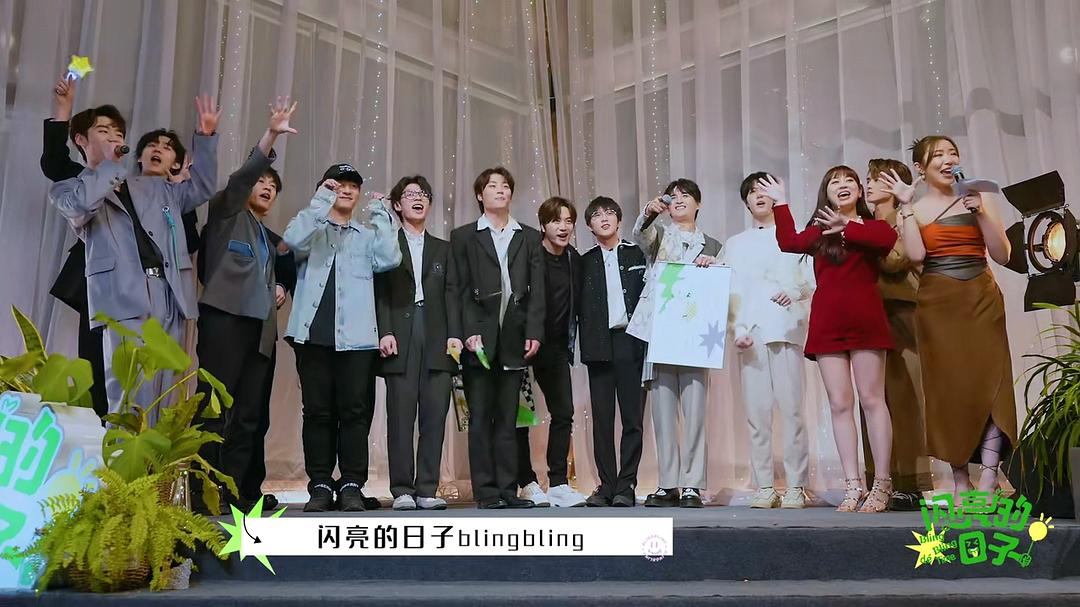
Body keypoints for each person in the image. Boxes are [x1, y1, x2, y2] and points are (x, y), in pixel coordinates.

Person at [49, 95, 221, 425]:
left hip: (169, 294)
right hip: (122, 295)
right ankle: (124, 458)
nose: (114, 138)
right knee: (128, 390)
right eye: (103, 131)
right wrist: (108, 166)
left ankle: (156, 458)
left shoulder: (154, 187)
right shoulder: (69, 187)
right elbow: (80, 207)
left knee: (164, 390)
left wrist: (207, 136)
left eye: (118, 133)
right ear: (82, 140)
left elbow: (201, 187)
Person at [879, 136, 1018, 499]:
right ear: (921, 168)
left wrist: (980, 212)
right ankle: (959, 480)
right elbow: (915, 254)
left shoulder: (979, 196)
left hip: (981, 298)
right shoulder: (917, 208)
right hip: (938, 303)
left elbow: (1002, 254)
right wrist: (905, 207)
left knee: (992, 383)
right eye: (937, 155)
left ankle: (989, 476)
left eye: (952, 153)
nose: (947, 159)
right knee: (948, 389)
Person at [764, 168, 897, 512]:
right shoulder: (820, 231)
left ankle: (882, 484)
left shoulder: (873, 227)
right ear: (826, 193)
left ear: (860, 192)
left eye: (849, 180)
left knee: (872, 399)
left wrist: (847, 226)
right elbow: (788, 242)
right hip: (828, 321)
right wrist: (780, 203)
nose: (842, 185)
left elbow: (887, 241)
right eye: (835, 181)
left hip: (866, 319)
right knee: (839, 404)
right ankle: (853, 485)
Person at [195, 97, 298, 511]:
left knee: (251, 414)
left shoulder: (269, 240)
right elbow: (241, 179)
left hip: (261, 332)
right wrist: (271, 135)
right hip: (225, 322)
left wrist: (281, 287)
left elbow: (286, 267)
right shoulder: (226, 214)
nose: (267, 187)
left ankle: (238, 491)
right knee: (214, 406)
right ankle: (203, 493)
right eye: (263, 181)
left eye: (273, 186)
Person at [284, 164, 402, 512]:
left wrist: (381, 214)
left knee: (355, 413)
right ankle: (320, 485)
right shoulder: (311, 229)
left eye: (353, 186)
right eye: (339, 185)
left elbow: (390, 257)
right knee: (317, 413)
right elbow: (292, 240)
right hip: (312, 336)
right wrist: (321, 199)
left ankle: (352, 484)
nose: (347, 190)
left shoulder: (366, 235)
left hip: (358, 340)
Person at [446, 167, 545, 510]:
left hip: (515, 337)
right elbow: (456, 290)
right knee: (480, 418)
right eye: (492, 186)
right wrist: (465, 331)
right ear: (480, 195)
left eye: (505, 185)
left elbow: (537, 290)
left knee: (508, 419)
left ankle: (508, 490)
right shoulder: (464, 236)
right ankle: (486, 492)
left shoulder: (528, 236)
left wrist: (534, 332)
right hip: (478, 340)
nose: (500, 190)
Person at [627, 179, 721, 509]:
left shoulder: (712, 244)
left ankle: (692, 485)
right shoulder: (659, 235)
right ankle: (668, 484)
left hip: (695, 335)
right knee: (663, 413)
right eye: (674, 196)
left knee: (694, 412)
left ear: (698, 204)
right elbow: (640, 235)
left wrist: (713, 265)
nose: (679, 200)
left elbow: (720, 287)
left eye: (687, 196)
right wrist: (648, 213)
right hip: (661, 332)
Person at [723, 172, 814, 509]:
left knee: (792, 412)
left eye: (765, 189)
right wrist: (737, 328)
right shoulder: (736, 244)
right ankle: (764, 485)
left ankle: (796, 485)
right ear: (746, 201)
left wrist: (793, 293)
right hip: (750, 335)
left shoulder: (794, 235)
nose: (758, 195)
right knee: (757, 414)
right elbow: (728, 289)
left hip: (786, 329)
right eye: (752, 191)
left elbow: (810, 281)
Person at [376, 175, 457, 511]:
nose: (418, 198)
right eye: (410, 195)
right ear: (397, 205)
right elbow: (380, 292)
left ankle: (427, 488)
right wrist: (384, 330)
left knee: (435, 415)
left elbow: (453, 294)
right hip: (400, 332)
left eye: (423, 194)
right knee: (400, 415)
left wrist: (455, 334)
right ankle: (402, 490)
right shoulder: (387, 244)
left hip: (438, 335)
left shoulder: (444, 248)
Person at [863, 158, 931, 511]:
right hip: (867, 314)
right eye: (868, 179)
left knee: (905, 398)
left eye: (875, 179)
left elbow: (895, 260)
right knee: (871, 399)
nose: (868, 185)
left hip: (901, 312)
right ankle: (878, 480)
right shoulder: (864, 222)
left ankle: (911, 482)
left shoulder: (905, 218)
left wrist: (862, 237)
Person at [515, 197, 587, 508]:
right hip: (522, 344)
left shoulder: (573, 259)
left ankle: (558, 482)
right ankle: (527, 481)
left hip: (555, 346)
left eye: (568, 221)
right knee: (520, 415)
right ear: (543, 225)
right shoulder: (530, 254)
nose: (563, 227)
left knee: (563, 413)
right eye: (556, 220)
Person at [579, 196, 648, 508]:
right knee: (602, 420)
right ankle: (606, 485)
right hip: (597, 344)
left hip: (631, 342)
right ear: (589, 225)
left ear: (619, 220)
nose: (604, 218)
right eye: (597, 215)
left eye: (609, 213)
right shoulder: (583, 261)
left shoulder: (637, 253)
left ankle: (627, 484)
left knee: (633, 418)